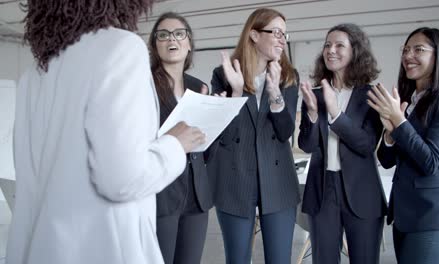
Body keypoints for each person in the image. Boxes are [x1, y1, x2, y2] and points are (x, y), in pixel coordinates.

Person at [6, 1, 205, 264]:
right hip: (103, 249)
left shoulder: (36, 73)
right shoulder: (120, 47)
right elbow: (122, 179)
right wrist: (175, 145)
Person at [368, 27, 439, 264]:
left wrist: (399, 121)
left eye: (418, 49)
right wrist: (391, 134)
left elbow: (433, 163)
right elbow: (387, 159)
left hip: (432, 219)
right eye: (406, 49)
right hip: (406, 216)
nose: (408, 56)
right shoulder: (409, 99)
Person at [208, 8, 300, 264]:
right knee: (237, 259)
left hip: (278, 181)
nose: (283, 39)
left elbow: (285, 133)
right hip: (234, 180)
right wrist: (236, 93)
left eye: (285, 34)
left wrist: (275, 95)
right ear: (254, 35)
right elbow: (224, 138)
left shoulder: (288, 77)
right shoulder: (222, 74)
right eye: (276, 32)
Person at [298, 23, 386, 264]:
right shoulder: (314, 95)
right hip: (322, 189)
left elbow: (366, 144)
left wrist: (335, 113)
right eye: (327, 45)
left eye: (339, 45)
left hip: (362, 191)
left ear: (355, 51)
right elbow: (306, 145)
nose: (331, 50)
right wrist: (314, 114)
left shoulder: (372, 95)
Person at [147, 12, 213, 264]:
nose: (171, 39)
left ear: (189, 44)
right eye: (162, 35)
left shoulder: (199, 87)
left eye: (178, 34)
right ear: (155, 45)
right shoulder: (145, 85)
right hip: (161, 193)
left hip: (196, 196)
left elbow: (205, 148)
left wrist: (215, 118)